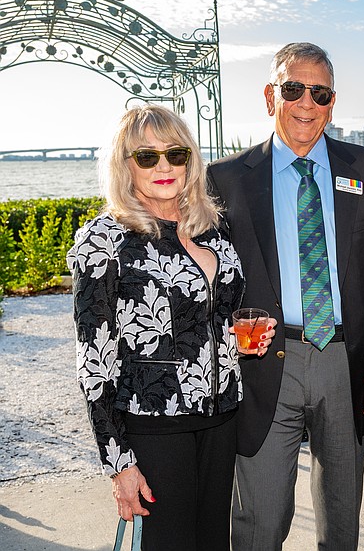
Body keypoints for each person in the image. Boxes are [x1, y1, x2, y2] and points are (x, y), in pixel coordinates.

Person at [207, 42, 364, 550]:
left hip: (344, 360)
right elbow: (206, 279)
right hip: (266, 363)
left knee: (342, 522)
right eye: (293, 89)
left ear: (332, 103)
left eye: (320, 93)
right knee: (261, 520)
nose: (306, 103)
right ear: (270, 95)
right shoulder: (225, 180)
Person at [67, 104, 275, 550]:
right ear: (125, 165)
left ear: (190, 161)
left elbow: (211, 322)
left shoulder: (211, 229)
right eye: (147, 156)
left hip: (220, 420)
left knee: (213, 543)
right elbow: (94, 359)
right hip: (154, 428)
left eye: (176, 154)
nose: (164, 166)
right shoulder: (103, 240)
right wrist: (118, 463)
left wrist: (242, 344)